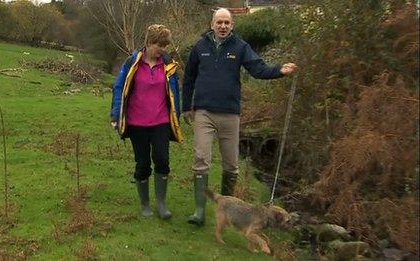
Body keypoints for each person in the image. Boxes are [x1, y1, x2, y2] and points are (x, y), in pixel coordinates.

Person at [182, 8, 296, 226]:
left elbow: (258, 69)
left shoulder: (241, 47)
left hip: (230, 113)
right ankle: (199, 211)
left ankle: (225, 209)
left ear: (232, 25)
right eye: (219, 22)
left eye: (227, 22)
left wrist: (279, 70)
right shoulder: (200, 47)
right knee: (201, 159)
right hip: (204, 112)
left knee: (231, 165)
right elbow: (189, 78)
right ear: (212, 24)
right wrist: (186, 106)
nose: (223, 26)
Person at [110, 24, 183, 219]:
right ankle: (144, 204)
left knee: (162, 160)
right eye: (160, 44)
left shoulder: (168, 65)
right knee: (142, 163)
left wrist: (178, 115)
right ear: (149, 43)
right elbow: (119, 88)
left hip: (161, 122)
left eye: (165, 45)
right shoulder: (132, 63)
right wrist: (116, 115)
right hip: (136, 123)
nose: (162, 49)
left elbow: (175, 93)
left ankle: (161, 203)